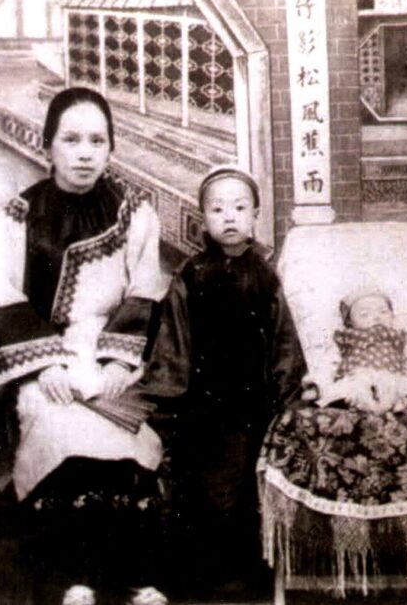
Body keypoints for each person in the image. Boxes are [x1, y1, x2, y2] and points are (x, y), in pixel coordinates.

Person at [0, 87, 170, 605]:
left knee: (129, 441)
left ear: (111, 150)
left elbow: (146, 289)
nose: (84, 152)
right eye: (71, 139)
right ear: (48, 145)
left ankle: (132, 574)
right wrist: (42, 368)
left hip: (111, 359)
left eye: (96, 140)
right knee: (60, 427)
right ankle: (73, 576)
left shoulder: (134, 212)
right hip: (44, 361)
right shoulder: (21, 214)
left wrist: (116, 360)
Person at [138, 167, 306, 598]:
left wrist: (289, 396)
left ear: (255, 215)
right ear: (203, 218)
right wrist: (165, 402)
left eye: (239, 208)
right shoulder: (191, 275)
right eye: (217, 209)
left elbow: (284, 338)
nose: (228, 217)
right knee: (216, 490)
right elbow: (173, 340)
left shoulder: (266, 274)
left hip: (259, 402)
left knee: (257, 488)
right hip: (208, 406)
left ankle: (255, 579)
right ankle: (217, 581)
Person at [317, 287, 407, 413]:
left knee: (403, 385)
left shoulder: (400, 337)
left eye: (383, 311)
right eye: (364, 315)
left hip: (393, 374)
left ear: (392, 315)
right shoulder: (345, 340)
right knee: (350, 387)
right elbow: (328, 363)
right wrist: (316, 384)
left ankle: (401, 401)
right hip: (358, 375)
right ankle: (357, 402)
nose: (376, 317)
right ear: (350, 322)